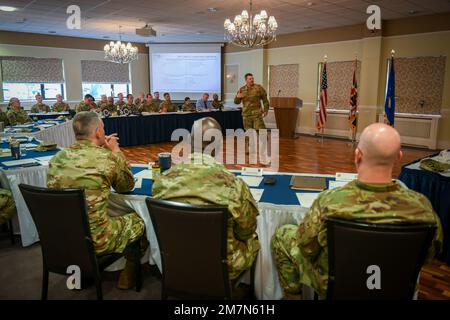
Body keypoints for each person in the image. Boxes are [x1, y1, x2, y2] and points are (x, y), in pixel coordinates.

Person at [271, 123, 443, 299]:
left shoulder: (329, 202)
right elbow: (427, 255)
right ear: (399, 156)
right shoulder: (422, 208)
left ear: (357, 155)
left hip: (334, 283)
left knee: (283, 234)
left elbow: (306, 247)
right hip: (391, 282)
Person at [152, 117, 260, 280]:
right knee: (255, 241)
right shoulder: (233, 185)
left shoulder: (163, 181)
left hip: (177, 262)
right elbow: (247, 231)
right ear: (218, 145)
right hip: (223, 267)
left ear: (189, 142)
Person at [47, 112, 146, 289]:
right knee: (141, 219)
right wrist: (115, 151)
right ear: (99, 132)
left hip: (61, 238)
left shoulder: (56, 159)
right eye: (103, 128)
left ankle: (81, 274)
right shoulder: (106, 159)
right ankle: (129, 271)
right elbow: (126, 186)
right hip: (98, 240)